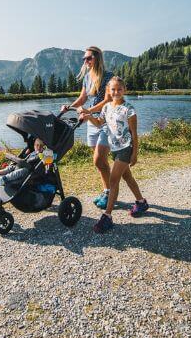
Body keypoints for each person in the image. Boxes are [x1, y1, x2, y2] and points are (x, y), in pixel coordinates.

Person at [81, 76, 149, 233]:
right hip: (115, 149)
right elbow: (99, 123)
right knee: (127, 177)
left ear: (124, 90)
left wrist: (135, 153)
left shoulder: (129, 109)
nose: (116, 92)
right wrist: (89, 116)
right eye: (113, 89)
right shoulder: (106, 108)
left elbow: (134, 134)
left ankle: (107, 216)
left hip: (126, 148)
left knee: (113, 180)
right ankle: (141, 202)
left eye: (119, 89)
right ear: (108, 91)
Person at [60, 46, 115, 208]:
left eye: (89, 58)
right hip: (91, 121)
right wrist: (69, 107)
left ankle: (110, 192)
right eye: (84, 59)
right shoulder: (87, 77)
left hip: (105, 121)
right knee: (101, 163)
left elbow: (106, 101)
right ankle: (108, 190)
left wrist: (87, 111)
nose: (86, 61)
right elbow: (83, 98)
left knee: (99, 160)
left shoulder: (108, 76)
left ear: (97, 58)